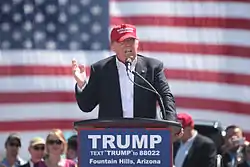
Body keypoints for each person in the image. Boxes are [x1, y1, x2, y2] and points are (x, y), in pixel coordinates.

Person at [72, 23, 177, 121]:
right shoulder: (100, 69)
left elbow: (165, 96)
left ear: (137, 43)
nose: (128, 45)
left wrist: (170, 123)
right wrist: (82, 84)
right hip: (113, 134)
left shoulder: (153, 67)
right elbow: (87, 106)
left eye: (131, 41)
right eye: (122, 42)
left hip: (145, 134)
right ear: (113, 46)